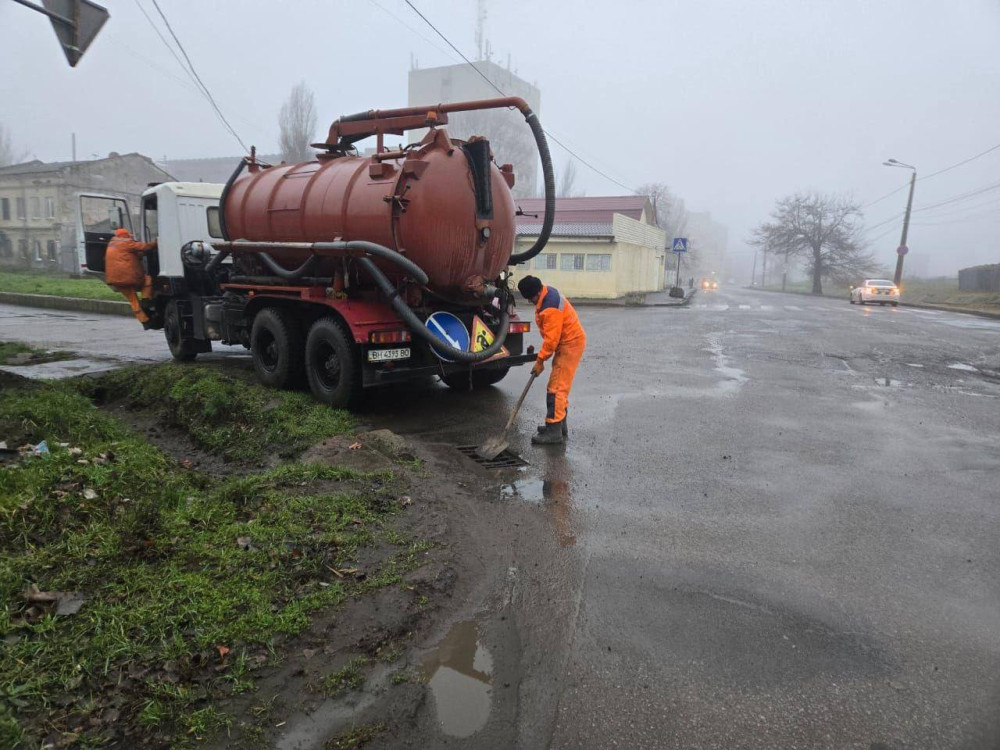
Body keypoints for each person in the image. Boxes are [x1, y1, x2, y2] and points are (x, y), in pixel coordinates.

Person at [516, 275, 586, 445]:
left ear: (536, 293)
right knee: (559, 386)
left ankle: (554, 431)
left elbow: (551, 341)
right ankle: (559, 425)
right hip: (568, 342)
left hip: (569, 344)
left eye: (530, 298)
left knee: (556, 388)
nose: (530, 302)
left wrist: (540, 361)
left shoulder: (550, 308)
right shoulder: (546, 292)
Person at [105, 228, 156, 323]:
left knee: (133, 300)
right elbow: (144, 247)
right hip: (129, 277)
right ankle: (146, 300)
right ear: (126, 235)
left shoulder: (112, 243)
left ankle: (145, 321)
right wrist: (156, 243)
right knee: (148, 279)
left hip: (114, 279)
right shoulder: (127, 242)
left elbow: (127, 254)